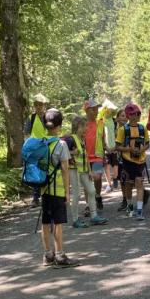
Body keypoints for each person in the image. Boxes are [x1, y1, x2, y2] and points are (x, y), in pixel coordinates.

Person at [38, 108, 80, 268]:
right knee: (58, 223)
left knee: (46, 223)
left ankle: (48, 255)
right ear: (59, 125)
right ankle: (60, 255)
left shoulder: (41, 142)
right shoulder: (61, 144)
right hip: (57, 190)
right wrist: (67, 192)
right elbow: (65, 169)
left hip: (44, 189)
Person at [66, 115, 108, 228]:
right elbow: (63, 154)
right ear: (77, 126)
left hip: (84, 170)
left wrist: (89, 171)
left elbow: (85, 156)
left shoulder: (82, 139)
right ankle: (75, 219)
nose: (86, 129)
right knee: (77, 194)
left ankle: (94, 216)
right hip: (74, 170)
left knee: (91, 190)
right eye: (84, 126)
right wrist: (72, 153)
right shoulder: (70, 139)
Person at [115, 103, 149, 221]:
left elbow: (147, 143)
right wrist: (129, 149)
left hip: (140, 161)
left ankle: (139, 211)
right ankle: (130, 207)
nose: (135, 116)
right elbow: (117, 147)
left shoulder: (142, 128)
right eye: (132, 114)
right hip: (127, 161)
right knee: (128, 184)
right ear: (128, 116)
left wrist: (141, 150)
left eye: (137, 113)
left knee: (139, 183)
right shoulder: (122, 130)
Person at [24, 94, 49, 207]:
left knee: (46, 170)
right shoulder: (31, 118)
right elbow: (27, 133)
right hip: (34, 147)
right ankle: (35, 197)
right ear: (34, 106)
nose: (38, 107)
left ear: (44, 105)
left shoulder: (48, 117)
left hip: (46, 146)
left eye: (41, 105)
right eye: (36, 105)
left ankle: (46, 196)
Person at [83, 98, 107, 212]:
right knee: (87, 181)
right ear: (87, 110)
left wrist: (106, 148)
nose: (96, 111)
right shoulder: (82, 124)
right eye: (93, 109)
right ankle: (88, 205)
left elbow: (104, 138)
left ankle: (97, 195)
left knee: (97, 177)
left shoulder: (100, 123)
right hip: (84, 156)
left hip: (98, 155)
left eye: (97, 109)